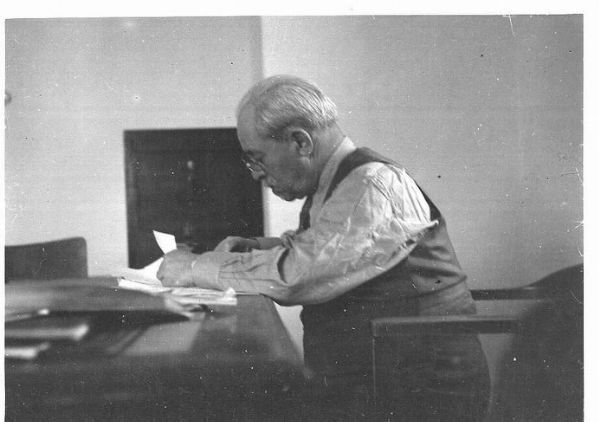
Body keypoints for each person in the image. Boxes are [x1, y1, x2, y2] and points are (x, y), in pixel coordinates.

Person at [157, 75, 489, 420]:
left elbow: (300, 274)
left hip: (418, 396)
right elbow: (327, 245)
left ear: (300, 142)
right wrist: (257, 247)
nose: (256, 174)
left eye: (258, 159)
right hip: (377, 382)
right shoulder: (339, 183)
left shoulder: (371, 185)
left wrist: (194, 267)